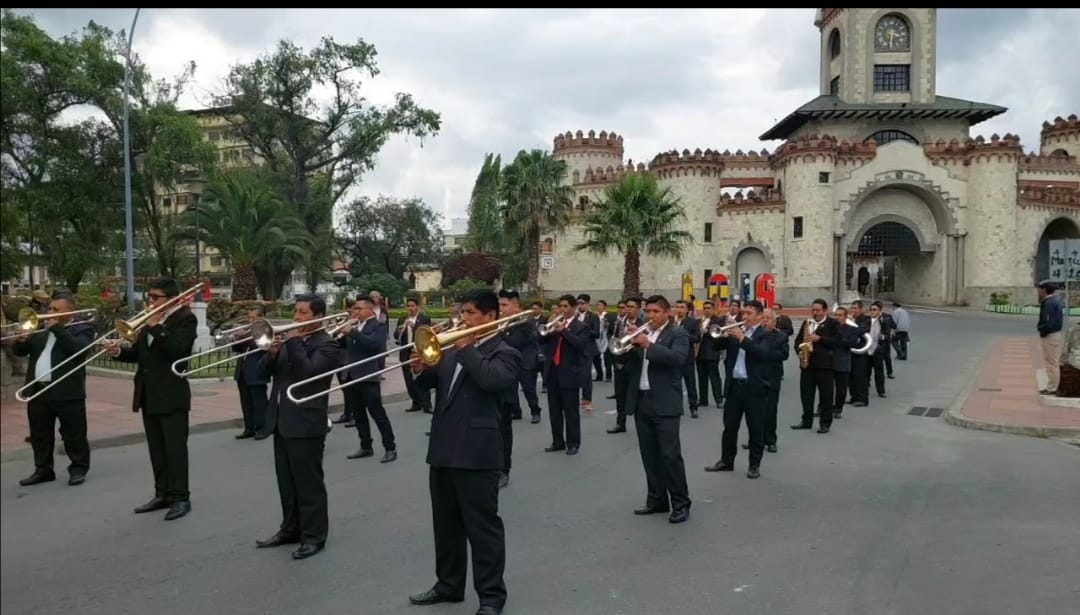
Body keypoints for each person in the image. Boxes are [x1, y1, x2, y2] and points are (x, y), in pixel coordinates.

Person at [408, 289, 520, 615]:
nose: (463, 319)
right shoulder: (454, 351)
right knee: (445, 526)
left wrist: (467, 348)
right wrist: (418, 368)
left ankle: (491, 597)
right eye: (463, 312)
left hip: (478, 454)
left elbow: (490, 381)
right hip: (443, 449)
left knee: (483, 529)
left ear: (490, 316)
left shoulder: (505, 351)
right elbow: (432, 383)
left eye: (471, 313)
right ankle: (448, 585)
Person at [105, 277, 197, 521]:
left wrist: (156, 325)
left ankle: (180, 497)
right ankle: (162, 493)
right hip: (148, 394)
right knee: (157, 449)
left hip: (171, 394)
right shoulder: (149, 320)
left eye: (155, 298)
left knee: (175, 450)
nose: (150, 301)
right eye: (149, 297)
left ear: (171, 299)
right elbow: (140, 353)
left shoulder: (186, 318)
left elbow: (178, 350)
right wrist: (118, 352)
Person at [255, 294, 339, 560]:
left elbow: (309, 374)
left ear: (317, 316)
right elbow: (260, 374)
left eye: (303, 313)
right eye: (296, 312)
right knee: (287, 482)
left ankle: (314, 537)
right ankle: (290, 529)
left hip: (306, 422)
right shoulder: (290, 342)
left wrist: (293, 344)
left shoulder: (328, 345)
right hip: (281, 420)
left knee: (308, 484)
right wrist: (271, 354)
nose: (296, 318)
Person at [619, 295, 693, 523]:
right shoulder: (644, 333)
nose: (650, 316)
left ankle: (680, 503)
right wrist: (627, 345)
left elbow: (677, 359)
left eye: (655, 312)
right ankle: (657, 499)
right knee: (649, 455)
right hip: (642, 400)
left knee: (670, 456)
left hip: (665, 401)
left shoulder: (677, 333)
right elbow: (627, 365)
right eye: (648, 311)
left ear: (667, 313)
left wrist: (648, 345)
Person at [12, 292, 95, 487]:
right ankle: (43, 469)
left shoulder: (82, 329)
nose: (50, 313)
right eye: (50, 309)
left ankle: (78, 468)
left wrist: (58, 329)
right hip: (39, 389)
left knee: (73, 434)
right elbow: (20, 352)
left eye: (56, 310)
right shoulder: (41, 330)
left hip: (67, 391)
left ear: (70, 311)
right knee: (40, 434)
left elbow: (78, 351)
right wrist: (21, 340)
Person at [706, 300, 787, 478]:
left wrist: (742, 338)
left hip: (754, 387)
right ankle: (726, 461)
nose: (745, 317)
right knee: (729, 427)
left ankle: (754, 465)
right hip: (735, 386)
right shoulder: (736, 332)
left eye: (749, 314)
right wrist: (721, 334)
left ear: (759, 316)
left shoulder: (766, 334)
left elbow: (762, 353)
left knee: (755, 428)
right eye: (744, 313)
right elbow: (716, 346)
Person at [341, 295, 398, 463]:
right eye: (354, 309)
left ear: (370, 309)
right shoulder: (355, 325)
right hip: (351, 374)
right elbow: (345, 347)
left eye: (358, 309)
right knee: (358, 414)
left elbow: (374, 346)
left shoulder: (378, 326)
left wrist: (352, 332)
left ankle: (390, 448)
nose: (354, 312)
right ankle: (366, 446)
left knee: (377, 414)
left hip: (368, 375)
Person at [539, 295, 591, 454]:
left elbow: (580, 345)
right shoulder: (555, 324)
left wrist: (564, 331)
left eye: (566, 306)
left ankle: (573, 442)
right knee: (554, 411)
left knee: (571, 411)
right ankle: (557, 441)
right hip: (553, 372)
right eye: (560, 306)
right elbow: (541, 340)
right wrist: (547, 328)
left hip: (570, 373)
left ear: (574, 308)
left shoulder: (582, 327)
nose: (562, 309)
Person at [791, 299, 841, 433]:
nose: (815, 313)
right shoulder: (807, 323)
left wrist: (819, 339)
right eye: (813, 310)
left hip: (825, 365)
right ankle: (806, 421)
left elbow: (837, 342)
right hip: (807, 365)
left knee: (826, 396)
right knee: (806, 395)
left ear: (825, 310)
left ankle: (825, 423)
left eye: (818, 310)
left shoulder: (833, 324)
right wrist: (800, 351)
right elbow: (797, 341)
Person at [232, 304, 269, 440]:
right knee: (245, 401)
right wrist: (236, 338)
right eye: (250, 318)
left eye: (254, 318)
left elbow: (263, 347)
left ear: (262, 318)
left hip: (257, 370)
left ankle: (261, 428)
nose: (251, 321)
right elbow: (236, 349)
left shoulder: (266, 330)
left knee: (259, 402)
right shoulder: (248, 330)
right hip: (242, 370)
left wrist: (245, 336)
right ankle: (249, 428)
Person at [1037, 281, 1065, 395]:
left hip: (1051, 335)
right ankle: (1051, 386)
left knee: (1051, 362)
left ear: (1044, 290)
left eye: (1039, 289)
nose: (1038, 292)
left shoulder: (1049, 303)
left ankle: (1052, 388)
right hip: (1054, 334)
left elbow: (1049, 322)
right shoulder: (1053, 301)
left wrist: (1042, 330)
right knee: (1051, 361)